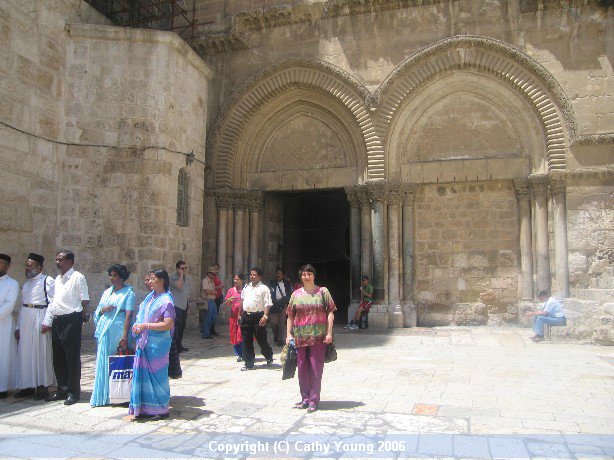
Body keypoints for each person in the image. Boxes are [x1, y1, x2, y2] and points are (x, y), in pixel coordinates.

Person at [127, 269, 175, 422]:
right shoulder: (149, 298)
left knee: (157, 376)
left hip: (157, 344)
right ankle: (145, 408)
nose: (150, 281)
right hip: (144, 343)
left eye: (153, 279)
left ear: (161, 281)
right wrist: (137, 325)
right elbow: (141, 315)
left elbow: (168, 324)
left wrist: (145, 326)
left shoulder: (166, 300)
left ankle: (160, 409)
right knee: (144, 375)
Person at [286, 264, 336, 413]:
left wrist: (329, 333)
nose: (306, 276)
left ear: (314, 275)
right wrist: (288, 334)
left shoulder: (323, 292)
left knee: (315, 369)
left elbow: (330, 312)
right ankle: (305, 398)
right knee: (302, 369)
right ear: (300, 277)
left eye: (309, 274)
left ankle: (314, 399)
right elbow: (290, 315)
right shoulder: (295, 294)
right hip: (300, 337)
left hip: (318, 337)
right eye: (303, 274)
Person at [43, 250, 90, 405]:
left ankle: (73, 392)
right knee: (58, 357)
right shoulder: (57, 279)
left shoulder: (78, 277)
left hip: (72, 319)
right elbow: (54, 301)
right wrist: (49, 320)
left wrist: (82, 317)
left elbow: (85, 300)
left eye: (61, 260)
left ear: (70, 261)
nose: (58, 262)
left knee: (71, 357)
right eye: (56, 259)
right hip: (58, 320)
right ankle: (62, 389)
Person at [90, 264, 135, 407]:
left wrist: (125, 336)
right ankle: (103, 394)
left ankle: (119, 394)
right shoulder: (107, 292)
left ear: (121, 277)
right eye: (111, 275)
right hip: (105, 328)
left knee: (116, 359)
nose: (112, 278)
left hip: (119, 328)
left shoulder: (129, 293)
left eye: (114, 275)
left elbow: (129, 315)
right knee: (103, 358)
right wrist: (103, 310)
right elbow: (98, 310)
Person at [15, 253, 55, 400]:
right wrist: (18, 326)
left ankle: (42, 387)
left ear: (39, 267)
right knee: (25, 352)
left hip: (40, 316)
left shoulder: (47, 281)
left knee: (41, 352)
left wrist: (47, 322)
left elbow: (52, 303)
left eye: (30, 266)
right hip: (26, 318)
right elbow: (23, 305)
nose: (27, 268)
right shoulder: (26, 285)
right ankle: (27, 386)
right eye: (26, 265)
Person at [240, 267, 274, 371]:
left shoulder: (264, 288)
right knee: (246, 340)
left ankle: (268, 355)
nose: (252, 276)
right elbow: (242, 300)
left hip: (258, 316)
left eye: (254, 275)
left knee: (261, 340)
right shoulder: (246, 287)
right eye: (251, 274)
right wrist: (240, 314)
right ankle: (249, 363)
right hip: (246, 315)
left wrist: (265, 316)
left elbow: (267, 304)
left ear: (259, 276)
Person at [0, 254, 19, 399]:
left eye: (1, 264)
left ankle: (2, 387)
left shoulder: (12, 284)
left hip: (3, 324)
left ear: (7, 266)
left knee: (3, 355)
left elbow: (9, 305)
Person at [169, 261, 192, 352]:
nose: (184, 270)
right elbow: (178, 286)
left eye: (185, 268)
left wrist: (188, 302)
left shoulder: (186, 278)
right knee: (177, 327)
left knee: (182, 326)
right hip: (176, 305)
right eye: (182, 268)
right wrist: (181, 275)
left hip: (184, 305)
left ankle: (179, 345)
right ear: (177, 269)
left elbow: (186, 291)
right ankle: (175, 346)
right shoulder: (173, 278)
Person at [268, 267, 292, 346]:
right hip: (274, 304)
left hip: (283, 305)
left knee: (281, 323)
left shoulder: (287, 283)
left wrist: (285, 302)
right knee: (273, 322)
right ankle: (276, 335)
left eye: (280, 273)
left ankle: (280, 340)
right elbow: (269, 293)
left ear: (283, 275)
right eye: (277, 273)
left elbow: (289, 294)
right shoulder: (271, 283)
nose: (278, 275)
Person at [224, 273, 244, 362]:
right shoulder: (231, 290)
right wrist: (229, 300)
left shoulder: (245, 291)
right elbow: (227, 304)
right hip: (233, 316)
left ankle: (243, 353)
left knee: (241, 334)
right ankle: (239, 353)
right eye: (234, 279)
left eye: (237, 279)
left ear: (242, 280)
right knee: (234, 334)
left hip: (242, 315)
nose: (235, 281)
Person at [200, 267, 217, 339]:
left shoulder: (211, 281)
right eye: (213, 274)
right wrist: (213, 292)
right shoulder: (205, 280)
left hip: (212, 300)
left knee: (213, 317)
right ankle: (206, 333)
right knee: (208, 318)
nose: (214, 275)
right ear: (209, 273)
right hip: (208, 300)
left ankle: (205, 330)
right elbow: (206, 290)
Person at [210, 264, 223, 336]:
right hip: (214, 297)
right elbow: (212, 287)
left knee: (215, 314)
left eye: (217, 268)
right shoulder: (213, 277)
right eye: (215, 268)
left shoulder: (216, 277)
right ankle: (210, 329)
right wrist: (220, 286)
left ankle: (212, 329)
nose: (216, 270)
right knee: (212, 314)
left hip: (218, 297)